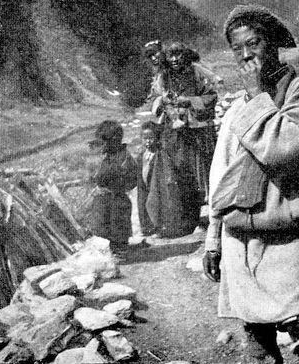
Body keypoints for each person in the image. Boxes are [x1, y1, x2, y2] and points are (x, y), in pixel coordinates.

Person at [202, 5, 299, 364]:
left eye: (254, 43)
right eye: (237, 48)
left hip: (284, 231)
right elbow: (220, 176)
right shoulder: (237, 109)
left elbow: (288, 150)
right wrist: (213, 242)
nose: (246, 55)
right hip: (238, 237)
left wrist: (258, 95)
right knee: (256, 335)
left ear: (273, 44)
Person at [148, 42, 218, 236]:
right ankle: (186, 220)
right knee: (179, 174)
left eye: (178, 55)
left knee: (201, 173)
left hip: (197, 132)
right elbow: (154, 99)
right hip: (174, 134)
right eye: (170, 56)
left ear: (185, 55)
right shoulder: (163, 77)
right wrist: (162, 102)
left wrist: (190, 101)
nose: (174, 59)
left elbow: (212, 96)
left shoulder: (197, 73)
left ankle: (208, 216)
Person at [87, 120, 138, 255]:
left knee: (119, 228)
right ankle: (116, 250)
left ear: (114, 141)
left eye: (105, 142)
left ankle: (121, 252)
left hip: (117, 199)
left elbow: (132, 179)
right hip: (107, 199)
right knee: (106, 227)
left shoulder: (123, 157)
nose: (102, 146)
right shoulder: (109, 155)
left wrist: (114, 183)